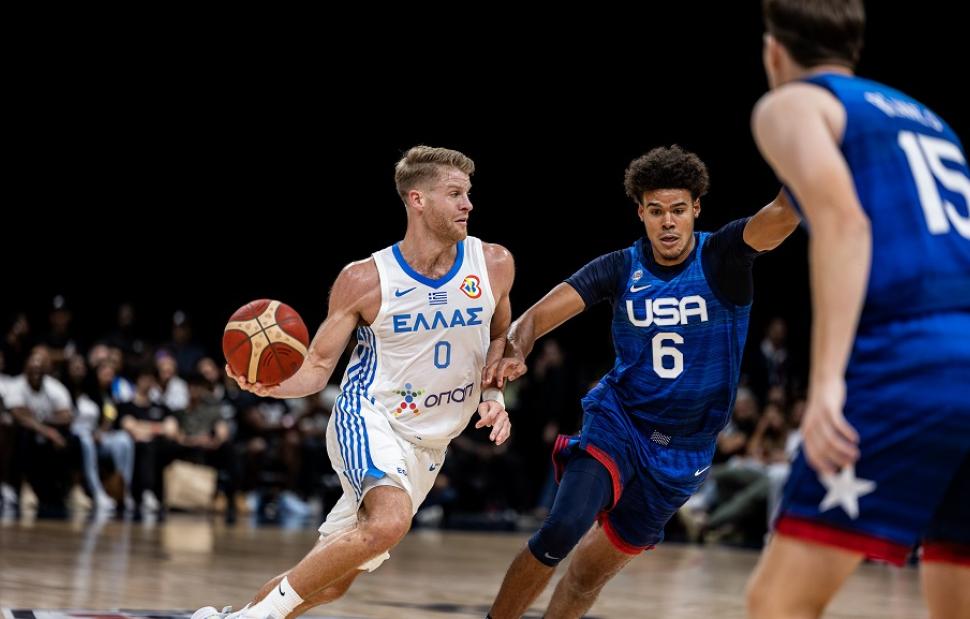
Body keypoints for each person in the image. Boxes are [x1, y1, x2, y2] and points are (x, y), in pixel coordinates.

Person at [192, 145, 515, 619]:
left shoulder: (493, 263)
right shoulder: (365, 279)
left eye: (468, 193)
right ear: (417, 199)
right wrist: (267, 386)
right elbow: (317, 368)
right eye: (455, 194)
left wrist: (492, 394)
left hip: (431, 443)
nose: (468, 204)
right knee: (387, 523)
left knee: (330, 581)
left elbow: (500, 336)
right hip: (371, 417)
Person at [486, 145, 799, 619]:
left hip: (684, 451)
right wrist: (516, 348)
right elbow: (533, 319)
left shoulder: (725, 255)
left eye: (678, 210)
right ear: (641, 213)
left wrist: (806, 156)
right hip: (620, 423)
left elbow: (783, 214)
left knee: (588, 574)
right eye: (656, 211)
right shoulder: (620, 267)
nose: (667, 222)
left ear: (696, 209)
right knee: (561, 530)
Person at [744, 2, 970, 618]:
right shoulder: (928, 119)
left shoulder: (794, 104)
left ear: (773, 51)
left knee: (777, 604)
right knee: (955, 595)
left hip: (911, 356)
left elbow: (845, 222)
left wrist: (826, 384)